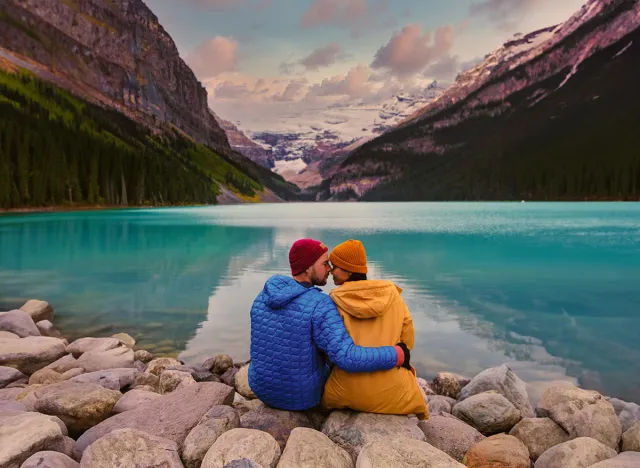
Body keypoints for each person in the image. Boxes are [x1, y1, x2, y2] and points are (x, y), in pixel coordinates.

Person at [248, 238, 411, 411]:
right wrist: (397, 354)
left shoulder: (263, 296)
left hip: (260, 388)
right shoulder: (320, 304)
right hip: (300, 398)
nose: (329, 269)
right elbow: (348, 358)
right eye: (325, 264)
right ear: (307, 267)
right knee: (337, 361)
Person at [321, 239, 429, 420]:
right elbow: (407, 339)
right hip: (392, 390)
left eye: (335, 266)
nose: (331, 270)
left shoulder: (334, 300)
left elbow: (329, 348)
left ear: (348, 270)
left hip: (347, 388)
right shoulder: (392, 294)